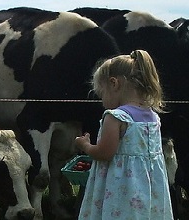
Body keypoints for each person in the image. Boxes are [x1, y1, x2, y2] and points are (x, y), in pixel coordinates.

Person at [74, 50, 173, 219]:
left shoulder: (115, 117)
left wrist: (85, 145)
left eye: (102, 92)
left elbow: (105, 153)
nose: (103, 100)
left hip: (122, 191)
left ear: (114, 84)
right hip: (148, 191)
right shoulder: (153, 117)